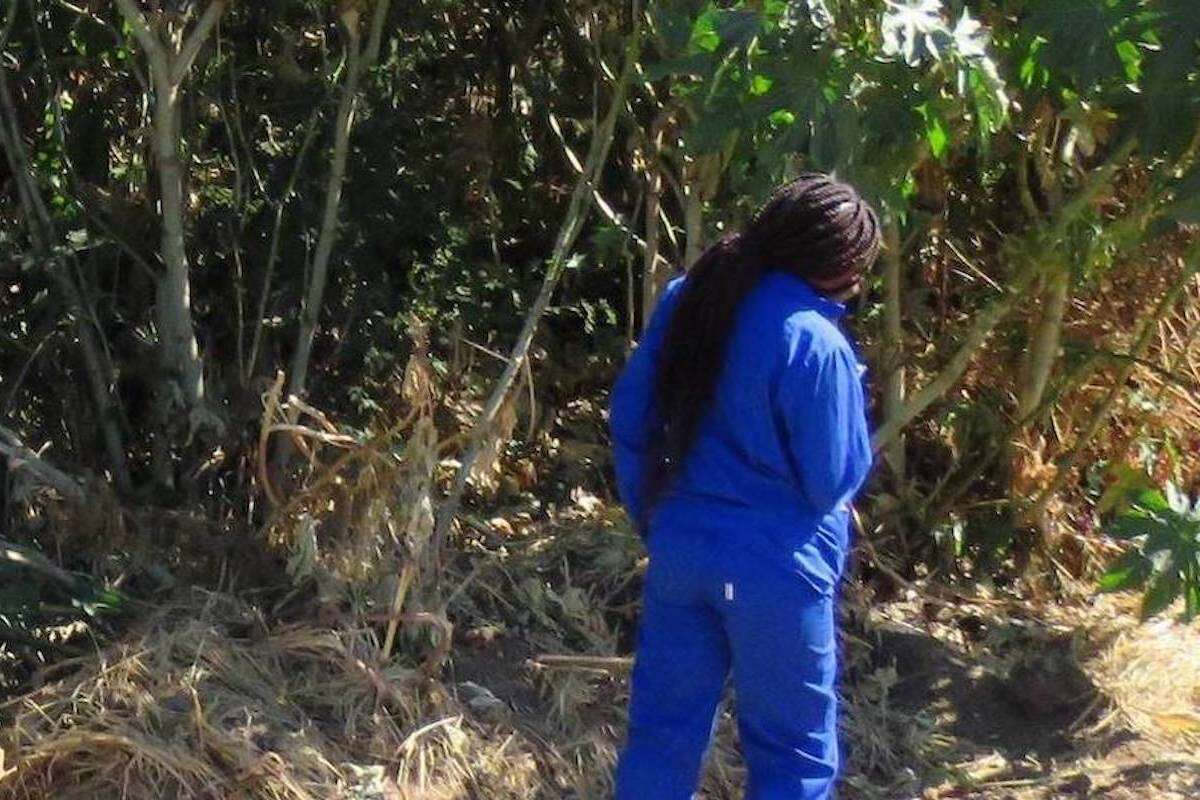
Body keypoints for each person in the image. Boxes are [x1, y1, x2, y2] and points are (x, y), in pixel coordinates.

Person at [608, 173, 881, 800]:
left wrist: (655, 519)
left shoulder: (688, 296)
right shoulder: (815, 341)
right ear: (837, 266)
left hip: (681, 551)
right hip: (775, 571)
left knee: (661, 737)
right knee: (793, 755)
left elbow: (631, 419)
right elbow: (832, 478)